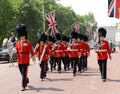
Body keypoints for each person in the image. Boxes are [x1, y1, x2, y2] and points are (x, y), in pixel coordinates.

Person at [15, 24, 35, 91]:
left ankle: (23, 86)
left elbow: (31, 51)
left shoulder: (28, 42)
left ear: (25, 36)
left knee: (24, 73)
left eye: (23, 36)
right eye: (21, 36)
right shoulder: (17, 43)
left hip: (26, 60)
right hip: (19, 60)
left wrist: (33, 57)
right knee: (22, 73)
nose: (22, 37)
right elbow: (17, 51)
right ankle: (26, 79)